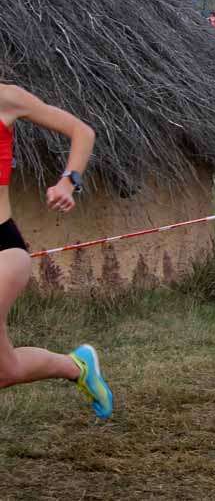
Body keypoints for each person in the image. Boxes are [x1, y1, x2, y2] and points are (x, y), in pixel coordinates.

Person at [0, 85, 112, 418]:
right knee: (7, 372)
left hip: (2, 251)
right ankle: (78, 367)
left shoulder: (7, 98)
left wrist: (67, 181)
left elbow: (82, 131)